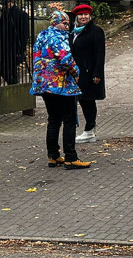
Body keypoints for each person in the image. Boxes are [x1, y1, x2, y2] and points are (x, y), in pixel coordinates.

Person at [30, 11, 90, 169]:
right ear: (55, 22)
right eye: (64, 23)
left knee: (54, 119)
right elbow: (65, 58)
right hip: (60, 85)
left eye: (68, 23)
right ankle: (71, 157)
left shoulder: (42, 36)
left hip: (43, 85)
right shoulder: (57, 37)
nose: (67, 26)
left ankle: (53, 156)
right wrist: (77, 73)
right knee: (69, 120)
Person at [68, 4, 105, 144]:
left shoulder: (96, 32)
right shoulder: (72, 31)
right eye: (81, 15)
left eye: (86, 15)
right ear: (77, 16)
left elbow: (100, 54)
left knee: (88, 100)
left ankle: (90, 129)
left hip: (89, 72)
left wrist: (97, 74)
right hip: (75, 72)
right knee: (81, 100)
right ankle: (89, 129)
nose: (84, 17)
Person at [0, 0, 31, 85]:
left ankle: (13, 86)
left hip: (14, 48)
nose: (4, 6)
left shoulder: (21, 15)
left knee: (11, 71)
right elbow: (0, 33)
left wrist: (21, 49)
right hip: (4, 48)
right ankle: (12, 85)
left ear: (11, 2)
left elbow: (24, 34)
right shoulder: (4, 14)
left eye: (6, 4)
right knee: (4, 71)